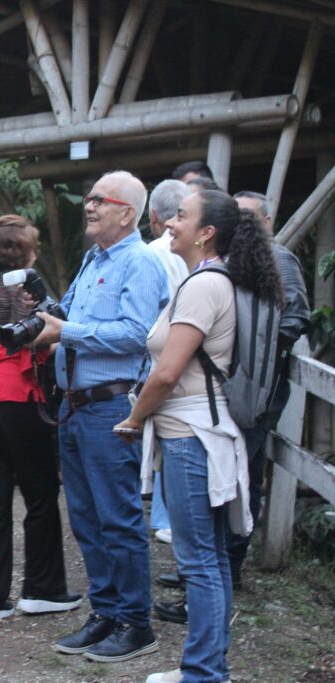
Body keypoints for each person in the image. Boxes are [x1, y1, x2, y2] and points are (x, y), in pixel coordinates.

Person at [115, 189, 275, 683]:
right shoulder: (211, 279)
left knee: (198, 561)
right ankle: (209, 668)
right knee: (210, 559)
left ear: (206, 232)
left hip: (189, 436)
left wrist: (134, 419)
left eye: (181, 216)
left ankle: (204, 672)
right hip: (199, 434)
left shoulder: (205, 285)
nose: (169, 223)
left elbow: (166, 373)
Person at [32, 170, 168, 663]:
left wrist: (64, 331)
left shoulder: (141, 263)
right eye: (87, 198)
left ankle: (135, 623)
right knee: (88, 520)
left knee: (118, 518)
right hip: (74, 405)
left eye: (98, 200)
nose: (87, 206)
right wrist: (44, 323)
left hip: (111, 406)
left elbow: (136, 333)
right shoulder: (93, 260)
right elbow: (68, 321)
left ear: (127, 213)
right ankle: (105, 613)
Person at [0, 215, 81, 624]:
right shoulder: (21, 287)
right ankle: (43, 590)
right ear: (23, 254)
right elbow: (39, 335)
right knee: (41, 495)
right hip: (12, 395)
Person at [228, 191, 310, 586]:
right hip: (235, 387)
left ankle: (230, 567)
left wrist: (256, 355)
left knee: (243, 471)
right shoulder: (228, 260)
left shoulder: (280, 259)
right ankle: (217, 567)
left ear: (267, 220)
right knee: (233, 470)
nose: (241, 223)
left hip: (260, 389)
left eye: (247, 216)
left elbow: (295, 317)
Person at [145, 179, 192, 545]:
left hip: (159, 352)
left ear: (154, 217)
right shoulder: (201, 254)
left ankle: (163, 514)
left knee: (159, 433)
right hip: (191, 355)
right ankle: (170, 515)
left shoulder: (151, 254)